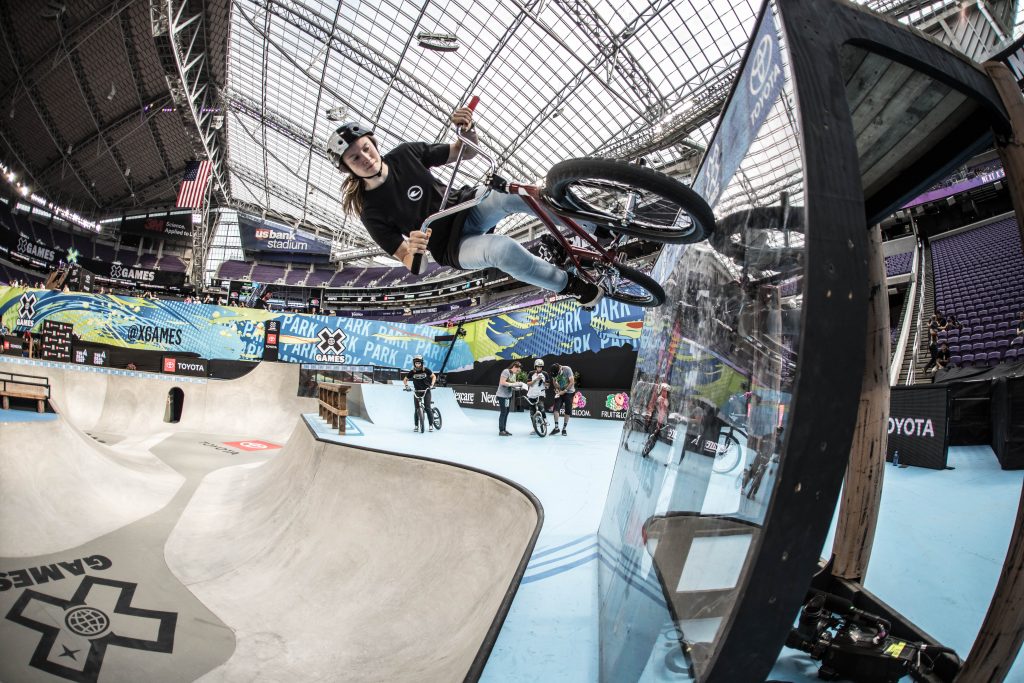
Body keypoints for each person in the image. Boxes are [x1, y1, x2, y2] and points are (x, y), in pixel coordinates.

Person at [327, 110, 604, 307]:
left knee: (513, 194)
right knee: (501, 250)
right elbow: (414, 266)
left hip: (465, 206)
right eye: (354, 157)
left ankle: (594, 229)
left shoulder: (404, 154)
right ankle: (570, 285)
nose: (365, 158)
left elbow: (465, 151)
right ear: (347, 168)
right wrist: (415, 250)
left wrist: (467, 129)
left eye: (365, 148)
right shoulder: (370, 210)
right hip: (451, 246)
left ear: (373, 143)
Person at [403, 355, 436, 432]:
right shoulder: (412, 372)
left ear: (421, 363)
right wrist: (407, 386)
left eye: (419, 363)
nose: (417, 365)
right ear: (414, 364)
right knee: (416, 409)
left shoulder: (426, 370)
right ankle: (416, 426)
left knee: (428, 408)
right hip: (417, 392)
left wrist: (432, 385)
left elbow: (433, 376)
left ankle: (431, 425)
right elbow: (405, 380)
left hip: (426, 390)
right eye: (416, 363)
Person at [496, 360, 523, 436]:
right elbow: (502, 382)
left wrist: (519, 387)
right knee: (503, 412)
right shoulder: (506, 371)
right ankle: (501, 431)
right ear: (514, 367)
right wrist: (514, 384)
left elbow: (512, 386)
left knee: (507, 413)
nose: (517, 372)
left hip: (508, 396)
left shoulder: (514, 374)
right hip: (502, 396)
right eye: (517, 370)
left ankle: (504, 429)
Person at [548, 362, 576, 436]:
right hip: (560, 392)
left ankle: (564, 429)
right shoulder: (554, 371)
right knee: (555, 409)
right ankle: (556, 428)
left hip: (569, 392)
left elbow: (572, 382)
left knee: (568, 411)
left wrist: (565, 391)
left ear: (560, 369)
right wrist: (557, 388)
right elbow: (554, 382)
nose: (556, 376)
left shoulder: (567, 369)